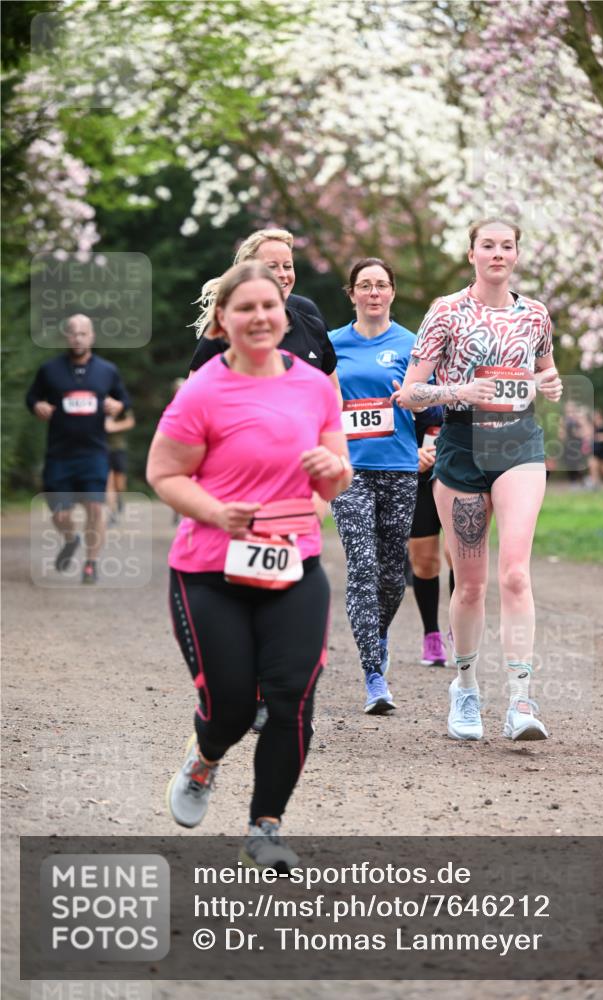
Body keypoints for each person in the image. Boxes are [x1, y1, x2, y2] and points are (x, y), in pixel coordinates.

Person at [146, 262, 351, 871]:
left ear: (284, 314)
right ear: (223, 320)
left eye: (270, 305)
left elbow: (336, 473)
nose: (260, 317)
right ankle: (205, 758)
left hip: (293, 564)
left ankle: (265, 826)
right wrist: (216, 513)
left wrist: (328, 480)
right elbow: (163, 474)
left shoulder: (313, 385)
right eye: (246, 308)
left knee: (291, 700)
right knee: (233, 706)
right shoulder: (204, 390)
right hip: (210, 570)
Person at [393, 218, 563, 741]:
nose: (497, 254)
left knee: (515, 573)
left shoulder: (535, 315)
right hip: (462, 447)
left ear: (516, 255)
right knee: (469, 584)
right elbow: (408, 393)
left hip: (518, 444)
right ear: (471, 254)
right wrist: (457, 393)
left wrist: (548, 383)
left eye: (506, 246)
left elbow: (544, 374)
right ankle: (465, 688)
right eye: (487, 245)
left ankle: (520, 700)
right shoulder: (446, 312)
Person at [330, 258, 419, 714]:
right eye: (364, 285)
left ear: (392, 292)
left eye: (381, 285)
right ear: (352, 294)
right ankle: (373, 675)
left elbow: (432, 409)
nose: (373, 293)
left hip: (400, 469)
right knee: (362, 568)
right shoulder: (331, 345)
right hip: (349, 470)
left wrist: (432, 442)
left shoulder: (412, 343)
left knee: (390, 577)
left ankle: (377, 635)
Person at [26, 313, 131, 584]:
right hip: (59, 453)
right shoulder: (49, 370)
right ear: (66, 336)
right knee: (60, 513)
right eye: (73, 333)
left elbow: (123, 399)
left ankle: (91, 564)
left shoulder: (107, 370)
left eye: (83, 333)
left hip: (94, 453)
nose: (78, 338)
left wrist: (117, 406)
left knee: (96, 509)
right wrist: (37, 405)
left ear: (92, 336)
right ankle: (71, 540)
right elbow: (32, 397)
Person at [189, 227, 341, 403]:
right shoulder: (228, 327)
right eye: (272, 267)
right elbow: (192, 395)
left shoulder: (310, 318)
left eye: (287, 266)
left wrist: (326, 428)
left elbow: (333, 389)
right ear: (250, 271)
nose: (283, 274)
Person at [409, 405, 455, 667]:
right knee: (425, 561)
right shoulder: (412, 369)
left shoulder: (467, 367)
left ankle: (459, 632)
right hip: (419, 474)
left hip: (460, 473)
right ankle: (431, 634)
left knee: (457, 554)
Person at [105, 408, 135, 523]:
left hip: (118, 448)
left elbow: (130, 421)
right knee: (108, 482)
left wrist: (112, 426)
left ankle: (119, 498)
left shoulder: (120, 401)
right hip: (101, 448)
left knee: (119, 482)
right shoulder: (95, 399)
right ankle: (111, 513)